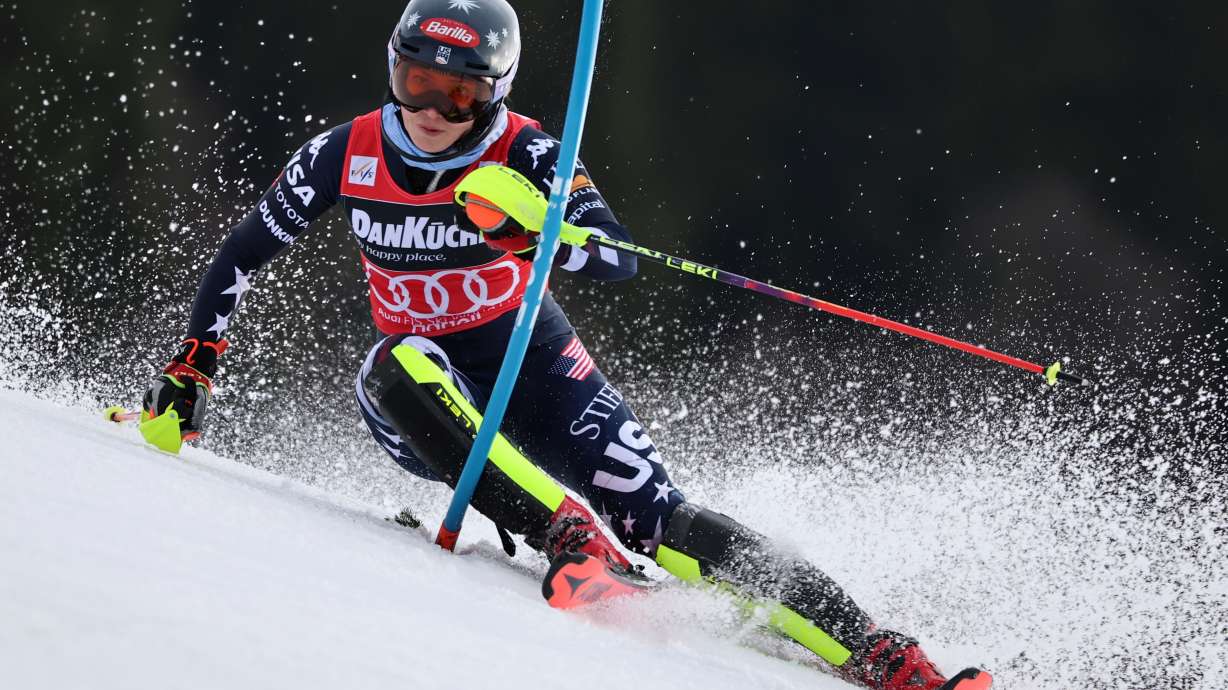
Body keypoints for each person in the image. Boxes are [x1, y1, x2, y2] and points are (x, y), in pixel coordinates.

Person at [140, 2, 990, 688]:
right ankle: (568, 542)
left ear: (495, 92)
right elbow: (243, 251)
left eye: (459, 95)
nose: (431, 111)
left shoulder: (531, 150)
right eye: (415, 81)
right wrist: (194, 364)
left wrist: (538, 229)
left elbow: (615, 255)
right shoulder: (346, 151)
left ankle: (884, 657)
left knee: (666, 520)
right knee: (393, 364)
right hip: (424, 397)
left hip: (537, 367)